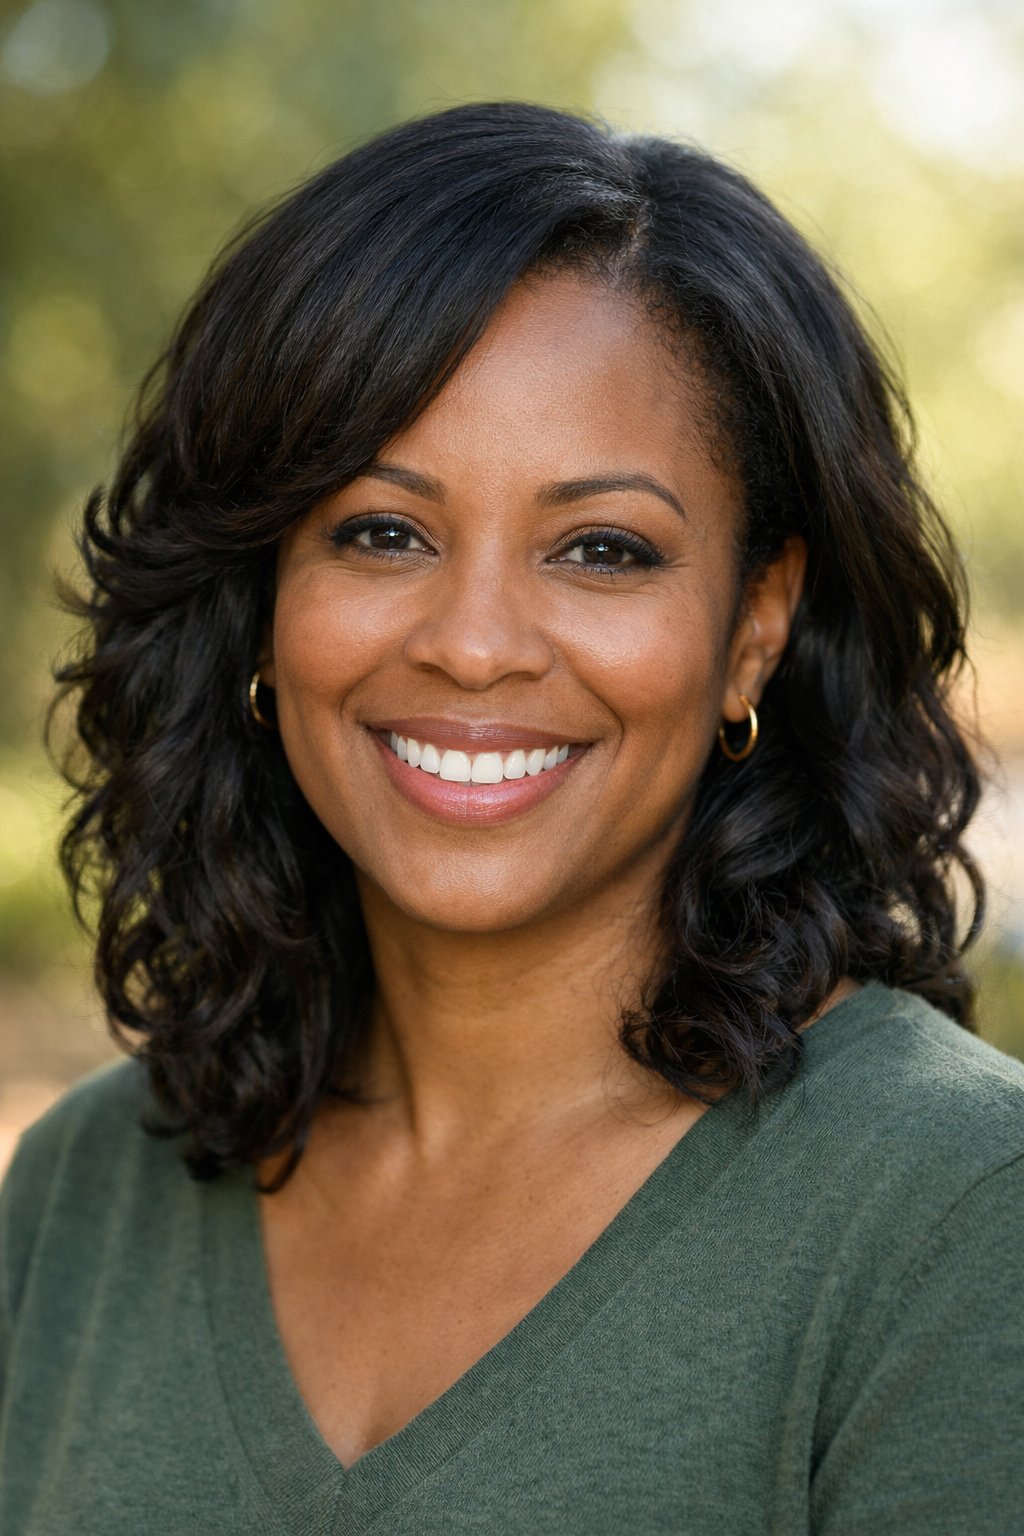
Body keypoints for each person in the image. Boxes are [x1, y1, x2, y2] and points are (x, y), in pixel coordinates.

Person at [1, 100, 1021, 1534]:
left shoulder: (959, 1218)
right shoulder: (82, 1197)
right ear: (260, 594)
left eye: (601, 550)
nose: (475, 645)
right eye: (381, 531)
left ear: (755, 625)